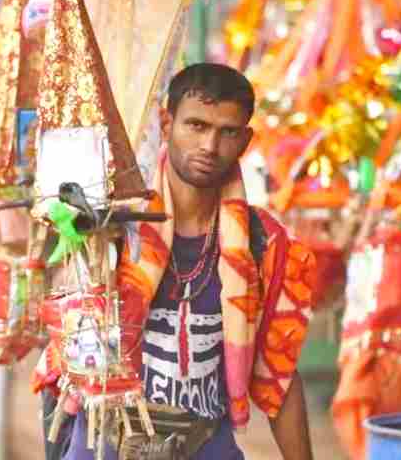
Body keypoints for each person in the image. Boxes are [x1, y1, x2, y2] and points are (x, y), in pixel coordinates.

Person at [41, 63, 318, 460]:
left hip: (206, 445)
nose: (209, 145)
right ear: (166, 122)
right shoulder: (111, 227)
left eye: (227, 132)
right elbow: (57, 329)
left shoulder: (265, 243)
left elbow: (281, 374)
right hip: (104, 446)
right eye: (197, 126)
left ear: (245, 140)